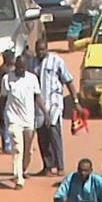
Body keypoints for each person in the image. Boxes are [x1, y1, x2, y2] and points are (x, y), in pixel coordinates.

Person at [29, 39, 78, 176]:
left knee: (54, 133)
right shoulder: (31, 63)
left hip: (54, 104)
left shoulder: (57, 61)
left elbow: (68, 81)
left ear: (47, 49)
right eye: (38, 50)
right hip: (38, 106)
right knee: (42, 136)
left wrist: (75, 99)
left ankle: (60, 166)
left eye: (43, 50)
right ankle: (47, 166)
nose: (40, 52)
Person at [1, 55, 43, 189]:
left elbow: (37, 97)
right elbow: (3, 99)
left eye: (23, 67)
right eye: (18, 67)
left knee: (28, 150)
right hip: (13, 118)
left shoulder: (32, 78)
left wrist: (45, 112)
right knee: (18, 148)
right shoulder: (7, 79)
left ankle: (23, 169)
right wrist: (0, 118)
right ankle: (18, 178)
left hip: (29, 119)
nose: (20, 69)